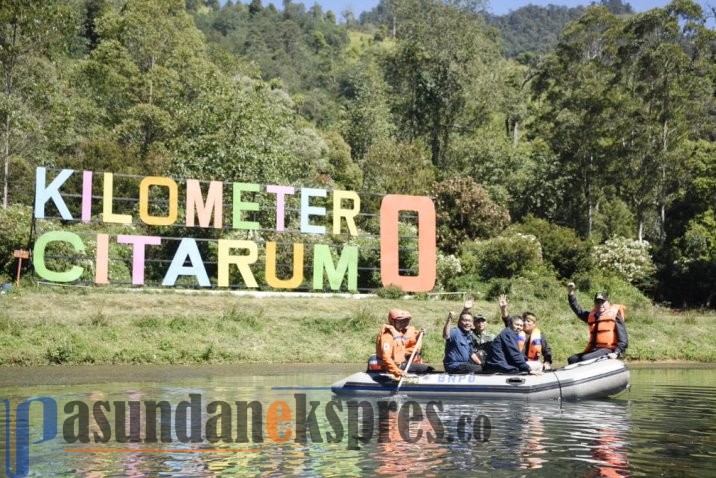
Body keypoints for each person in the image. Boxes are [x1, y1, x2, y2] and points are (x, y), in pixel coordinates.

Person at [566, 283, 628, 364]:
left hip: (609, 349)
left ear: (608, 303)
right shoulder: (592, 316)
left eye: (602, 302)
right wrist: (571, 293)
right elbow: (578, 310)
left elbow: (623, 339)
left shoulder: (615, 315)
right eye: (597, 302)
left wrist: (616, 353)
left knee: (585, 358)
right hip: (595, 349)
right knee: (572, 359)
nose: (600, 304)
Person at [499, 294, 553, 370]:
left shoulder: (539, 335)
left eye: (528, 321)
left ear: (534, 324)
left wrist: (547, 362)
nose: (525, 323)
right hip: (517, 363)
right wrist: (503, 308)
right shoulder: (516, 331)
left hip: (532, 364)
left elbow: (547, 351)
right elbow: (507, 320)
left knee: (539, 365)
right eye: (524, 321)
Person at [376, 309, 432, 378]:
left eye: (405, 321)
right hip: (394, 367)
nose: (403, 324)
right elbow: (386, 358)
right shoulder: (387, 336)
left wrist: (419, 334)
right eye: (400, 322)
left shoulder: (398, 332)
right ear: (392, 321)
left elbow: (408, 341)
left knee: (426, 368)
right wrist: (397, 371)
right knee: (428, 369)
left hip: (400, 364)